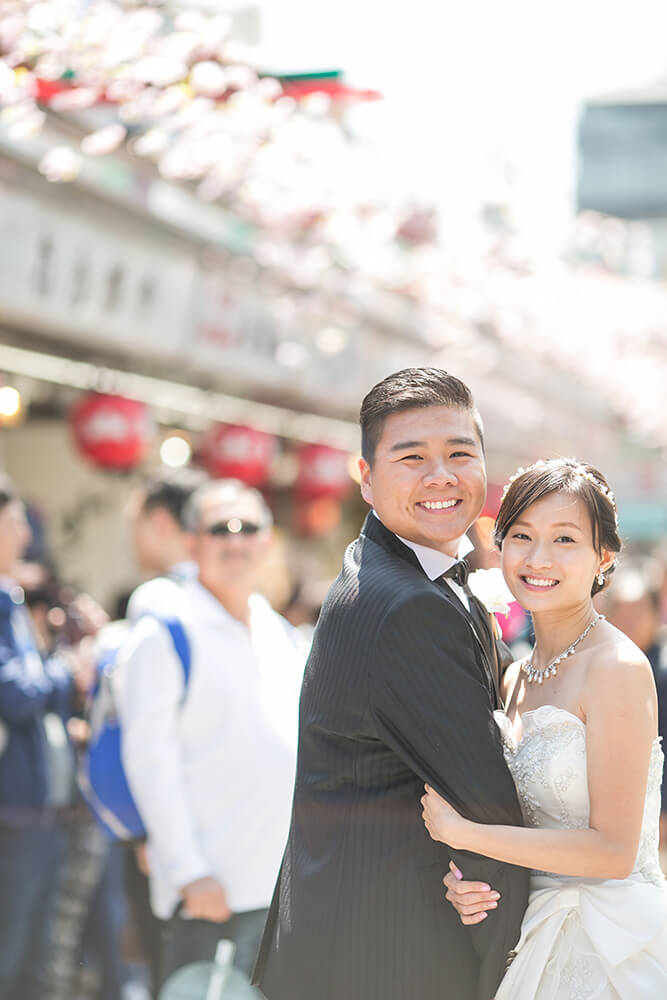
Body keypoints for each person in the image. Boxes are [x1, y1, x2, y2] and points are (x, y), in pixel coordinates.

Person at [254, 368, 529, 1000]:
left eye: (461, 453)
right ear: (368, 479)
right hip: (384, 957)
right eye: (412, 458)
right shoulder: (404, 604)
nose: (442, 476)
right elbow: (484, 801)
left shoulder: (396, 571)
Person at [422, 457, 667, 998]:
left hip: (612, 949)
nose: (538, 558)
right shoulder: (514, 676)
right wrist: (467, 882)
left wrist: (467, 834)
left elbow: (613, 851)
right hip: (528, 933)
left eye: (564, 540)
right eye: (522, 535)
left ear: (603, 556)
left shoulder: (617, 670)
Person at [117, 478, 304, 986]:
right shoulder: (165, 632)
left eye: (250, 528)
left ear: (267, 541)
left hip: (275, 893)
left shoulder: (274, 630)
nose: (236, 540)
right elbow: (148, 763)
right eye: (220, 528)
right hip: (208, 895)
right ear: (191, 541)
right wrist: (188, 872)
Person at [0, 476, 76, 999]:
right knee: (13, 947)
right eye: (14, 520)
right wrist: (68, 670)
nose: (24, 536)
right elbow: (15, 693)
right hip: (15, 809)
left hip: (37, 808)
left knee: (33, 946)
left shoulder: (11, 597)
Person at [125, 467, 207, 622]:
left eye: (135, 523)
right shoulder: (228, 594)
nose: (132, 538)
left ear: (160, 523)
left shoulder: (155, 596)